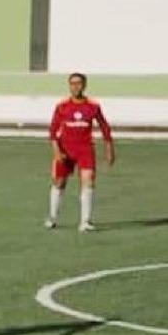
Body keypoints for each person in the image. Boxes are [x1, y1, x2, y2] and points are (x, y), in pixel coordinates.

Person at [46, 73, 116, 232]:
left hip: (84, 149)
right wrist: (57, 152)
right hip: (65, 149)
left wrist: (109, 150)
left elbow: (105, 128)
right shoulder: (62, 106)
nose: (75, 86)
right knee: (59, 182)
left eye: (78, 83)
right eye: (72, 83)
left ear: (84, 85)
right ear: (69, 85)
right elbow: (52, 132)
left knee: (88, 180)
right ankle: (52, 217)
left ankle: (85, 221)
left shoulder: (93, 106)